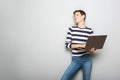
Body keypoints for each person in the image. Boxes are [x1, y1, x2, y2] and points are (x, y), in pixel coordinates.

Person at [61, 10, 95, 80]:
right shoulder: (72, 29)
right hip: (76, 59)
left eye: (77, 15)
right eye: (74, 16)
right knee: (64, 78)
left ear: (83, 16)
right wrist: (82, 45)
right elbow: (67, 45)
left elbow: (91, 46)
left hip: (87, 59)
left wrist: (92, 49)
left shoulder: (89, 30)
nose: (75, 17)